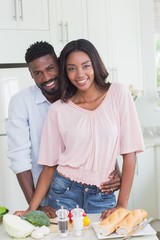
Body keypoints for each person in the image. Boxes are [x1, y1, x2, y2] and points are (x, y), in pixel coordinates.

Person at [14, 39, 144, 219]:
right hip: (63, 193)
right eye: (71, 68)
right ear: (65, 72)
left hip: (103, 193)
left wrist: (122, 205)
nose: (79, 74)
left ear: (95, 64)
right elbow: (49, 167)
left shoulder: (119, 94)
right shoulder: (58, 109)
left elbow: (129, 153)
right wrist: (31, 209)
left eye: (85, 66)